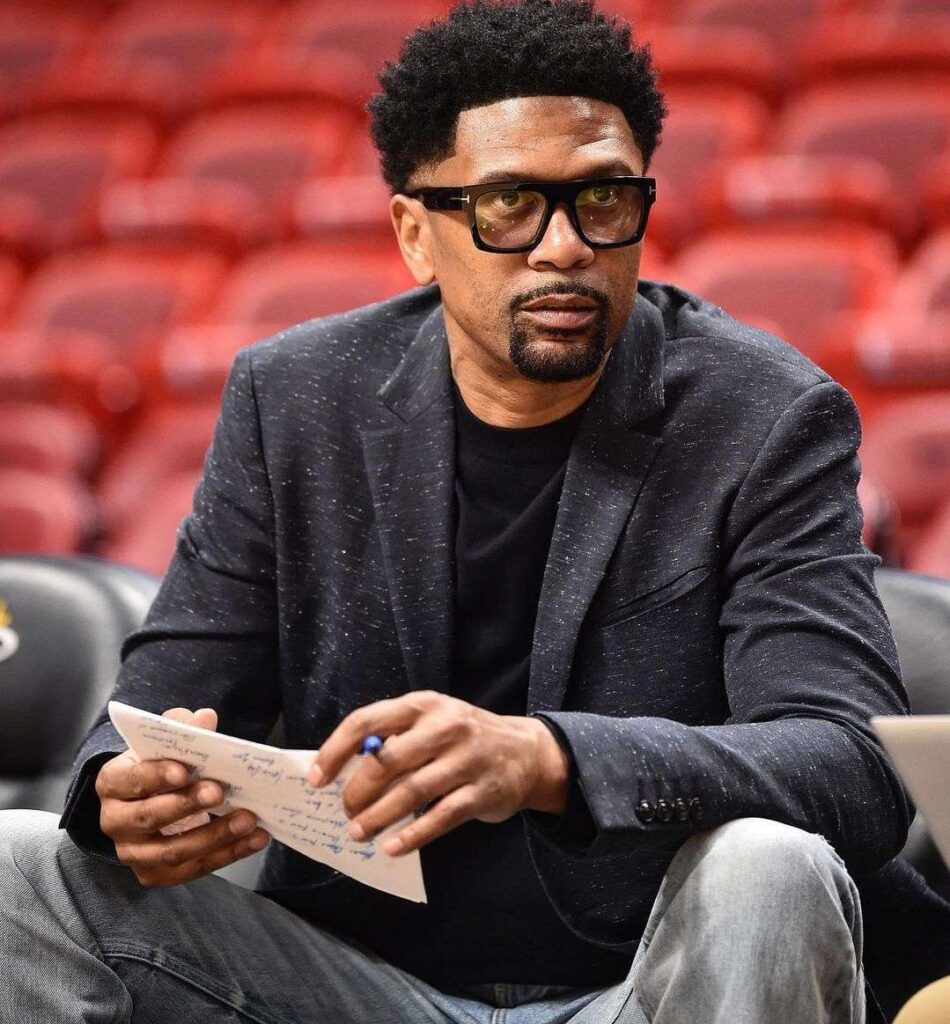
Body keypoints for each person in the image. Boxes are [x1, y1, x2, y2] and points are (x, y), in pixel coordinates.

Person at [1, 1, 948, 1021]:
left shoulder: (763, 415)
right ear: (415, 232)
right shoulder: (296, 400)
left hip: (643, 981)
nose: (563, 247)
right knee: (20, 865)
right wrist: (126, 797)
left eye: (601, 199)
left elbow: (849, 767)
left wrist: (544, 758)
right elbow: (156, 706)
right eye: (507, 206)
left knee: (765, 865)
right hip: (355, 983)